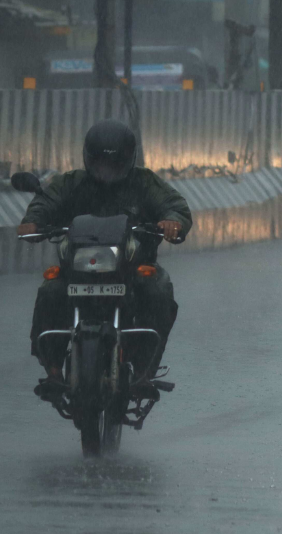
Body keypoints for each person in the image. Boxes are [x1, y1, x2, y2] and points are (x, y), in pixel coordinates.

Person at [18, 120, 191, 390]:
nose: (106, 171)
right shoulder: (72, 182)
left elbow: (174, 205)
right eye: (100, 164)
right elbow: (46, 201)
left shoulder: (144, 182)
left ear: (128, 160)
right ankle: (53, 370)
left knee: (158, 290)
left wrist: (173, 221)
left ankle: (145, 371)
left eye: (114, 164)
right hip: (77, 268)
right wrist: (33, 221)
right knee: (51, 291)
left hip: (131, 268)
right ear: (89, 158)